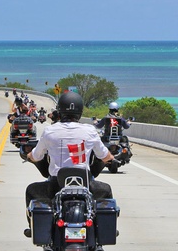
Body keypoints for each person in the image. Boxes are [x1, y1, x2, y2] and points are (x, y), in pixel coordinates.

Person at [22, 91, 116, 237]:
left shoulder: (49, 131)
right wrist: (110, 157)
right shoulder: (90, 131)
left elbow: (36, 156)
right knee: (106, 190)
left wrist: (29, 156)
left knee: (31, 190)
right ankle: (105, 229)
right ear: (80, 111)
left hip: (55, 185)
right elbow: (104, 156)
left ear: (60, 111)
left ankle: (32, 228)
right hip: (84, 184)